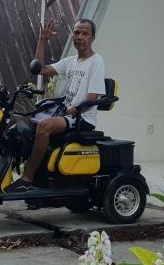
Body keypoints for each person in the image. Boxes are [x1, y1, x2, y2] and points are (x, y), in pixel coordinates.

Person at [7, 17, 105, 191]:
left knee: (44, 126)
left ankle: (27, 178)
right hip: (65, 113)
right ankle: (11, 169)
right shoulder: (70, 61)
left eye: (85, 33)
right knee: (15, 119)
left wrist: (72, 110)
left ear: (93, 37)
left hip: (82, 117)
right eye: (76, 32)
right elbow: (39, 69)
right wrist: (42, 40)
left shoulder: (96, 61)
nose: (80, 36)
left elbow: (92, 98)